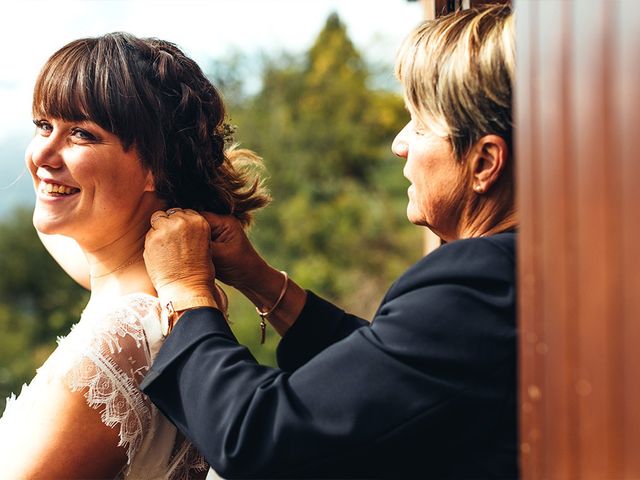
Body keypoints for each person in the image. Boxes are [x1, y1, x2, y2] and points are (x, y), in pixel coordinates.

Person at [140, 4, 518, 479]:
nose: (400, 143)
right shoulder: (513, 272)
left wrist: (186, 290)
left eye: (420, 124)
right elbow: (395, 369)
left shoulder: (481, 282)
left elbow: (259, 437)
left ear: (484, 162)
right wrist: (260, 281)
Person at [0, 32, 268, 478]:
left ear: (155, 168)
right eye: (43, 125)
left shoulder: (115, 345)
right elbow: (68, 243)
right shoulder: (160, 294)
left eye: (81, 134)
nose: (42, 154)